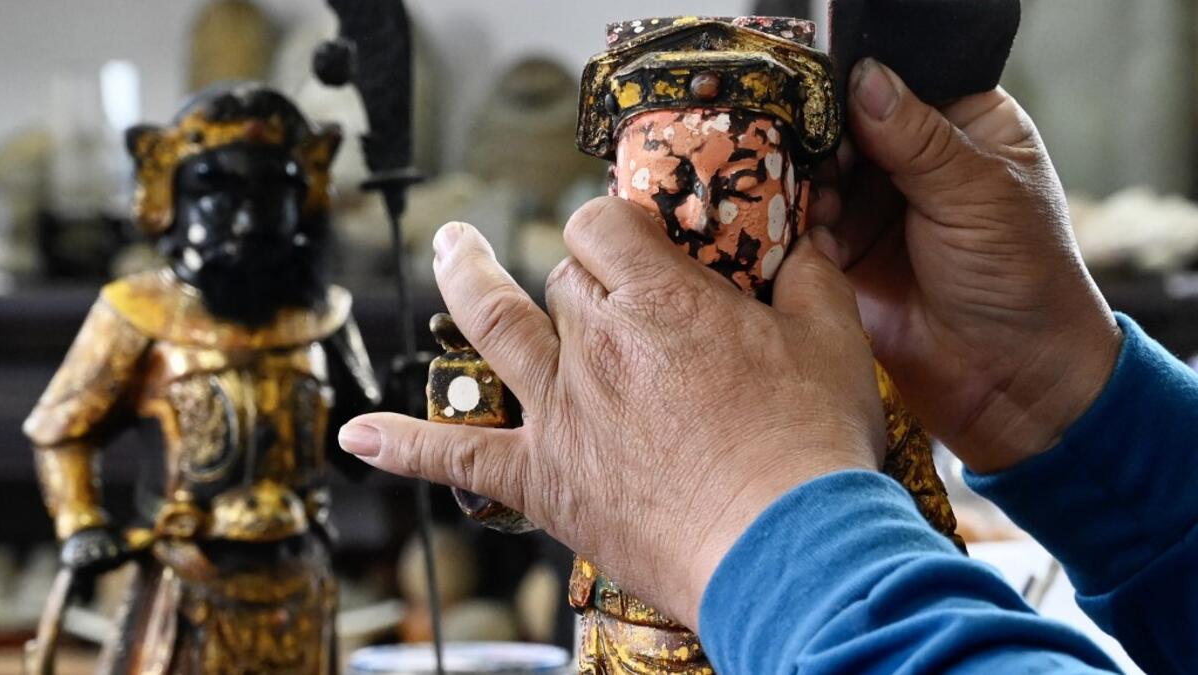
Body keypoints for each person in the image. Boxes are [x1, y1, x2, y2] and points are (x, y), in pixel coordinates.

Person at [338, 59, 1196, 674]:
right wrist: (1057, 394)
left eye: (738, 181)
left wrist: (765, 517)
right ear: (608, 189)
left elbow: (928, 532)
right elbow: (511, 495)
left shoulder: (839, 370)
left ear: (790, 199)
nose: (700, 212)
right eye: (666, 184)